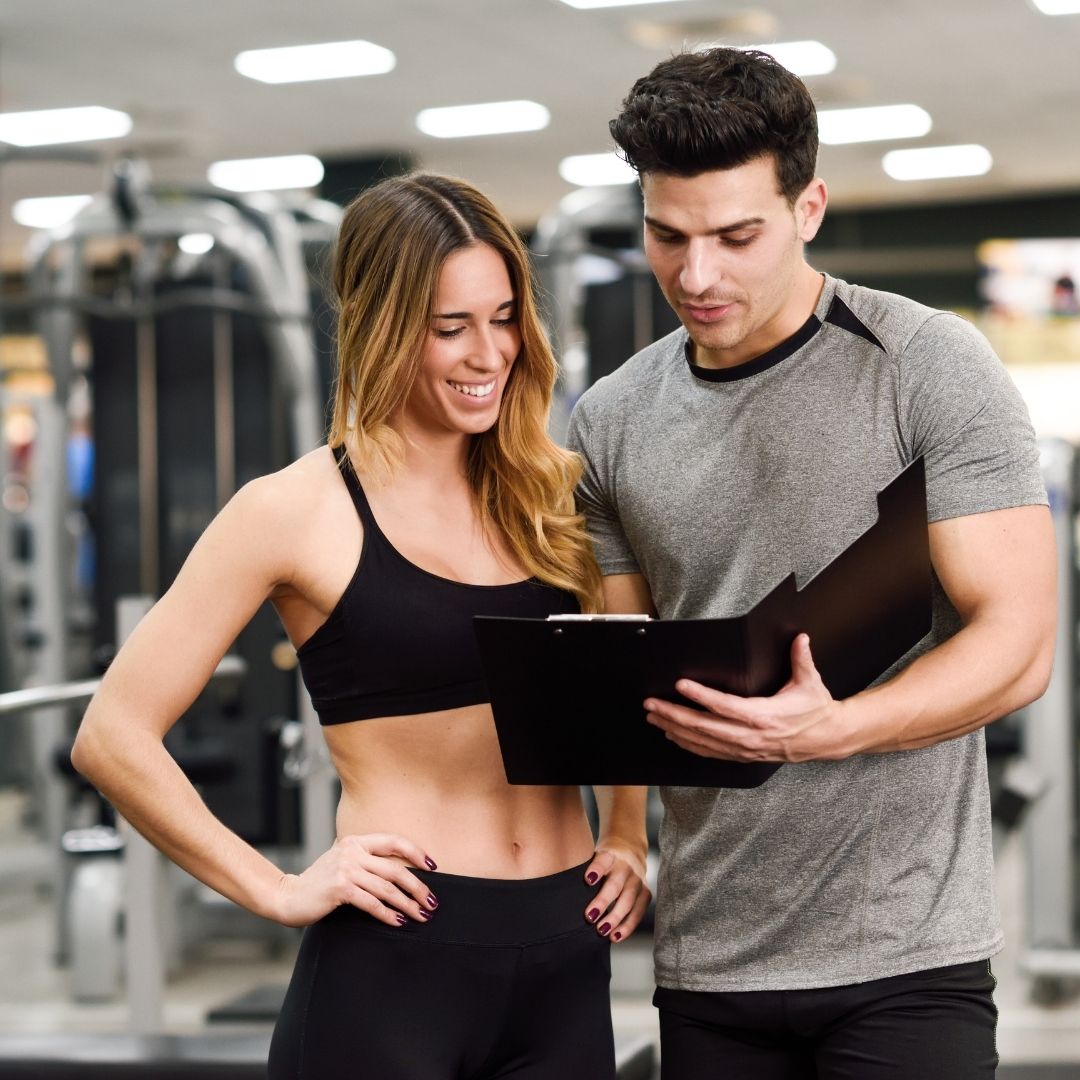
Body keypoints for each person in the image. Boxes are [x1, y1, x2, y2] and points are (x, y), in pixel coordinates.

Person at [72, 172, 650, 1080]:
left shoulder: (557, 492)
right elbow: (112, 736)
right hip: (397, 963)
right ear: (381, 328)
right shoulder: (292, 511)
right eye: (450, 328)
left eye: (503, 318)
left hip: (565, 954)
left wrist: (626, 832)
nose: (488, 353)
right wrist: (277, 886)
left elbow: (625, 672)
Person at [566, 48, 1056, 1079]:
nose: (696, 276)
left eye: (736, 236)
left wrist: (834, 730)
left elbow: (1017, 645)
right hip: (711, 964)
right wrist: (619, 832)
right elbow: (624, 661)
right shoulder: (611, 419)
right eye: (667, 237)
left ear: (809, 208)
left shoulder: (926, 365)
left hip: (907, 958)